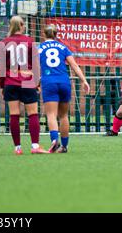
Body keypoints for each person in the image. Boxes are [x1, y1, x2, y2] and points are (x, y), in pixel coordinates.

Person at [0, 15, 48, 155]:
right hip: (27, 80)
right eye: (24, 24)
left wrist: (2, 86)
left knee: (14, 114)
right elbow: (36, 66)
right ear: (21, 25)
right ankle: (35, 146)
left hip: (10, 81)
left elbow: (1, 68)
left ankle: (18, 148)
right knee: (32, 113)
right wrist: (37, 83)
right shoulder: (29, 42)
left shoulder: (4, 43)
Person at [38, 24, 90, 153]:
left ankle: (54, 140)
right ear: (56, 35)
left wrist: (36, 83)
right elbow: (74, 65)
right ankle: (65, 146)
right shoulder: (63, 47)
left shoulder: (39, 48)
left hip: (49, 82)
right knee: (63, 115)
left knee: (51, 114)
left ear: (44, 35)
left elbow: (34, 67)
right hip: (64, 81)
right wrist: (84, 80)